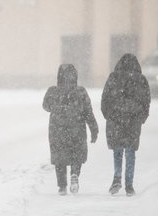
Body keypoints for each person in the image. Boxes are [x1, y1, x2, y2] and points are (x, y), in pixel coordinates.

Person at [42, 63, 99, 195]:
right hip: (77, 128)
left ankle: (62, 186)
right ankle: (74, 174)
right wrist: (94, 129)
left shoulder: (52, 91)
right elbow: (88, 112)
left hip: (57, 129)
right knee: (76, 154)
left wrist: (57, 107)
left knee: (59, 157)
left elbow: (46, 106)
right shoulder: (81, 92)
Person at [101, 53, 151, 196]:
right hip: (133, 120)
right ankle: (129, 185)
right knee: (130, 152)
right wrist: (142, 117)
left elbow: (105, 98)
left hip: (115, 119)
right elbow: (146, 100)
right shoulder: (141, 79)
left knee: (117, 151)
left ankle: (117, 178)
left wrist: (108, 115)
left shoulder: (113, 78)